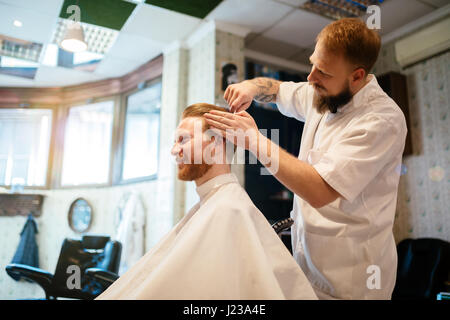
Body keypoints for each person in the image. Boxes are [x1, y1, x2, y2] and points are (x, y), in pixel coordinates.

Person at [204, 18, 407, 299]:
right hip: (308, 269)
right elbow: (276, 90)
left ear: (357, 76)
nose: (311, 77)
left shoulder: (381, 121)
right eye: (313, 63)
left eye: (323, 71)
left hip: (352, 282)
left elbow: (320, 190)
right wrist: (251, 86)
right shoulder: (322, 92)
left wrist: (254, 140)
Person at [96, 103, 317, 300]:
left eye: (183, 139)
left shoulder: (229, 210)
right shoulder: (213, 203)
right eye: (175, 142)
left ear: (214, 143)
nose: (174, 150)